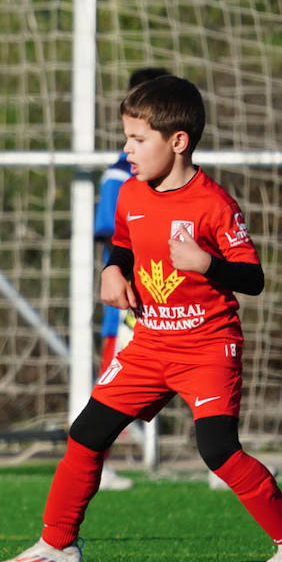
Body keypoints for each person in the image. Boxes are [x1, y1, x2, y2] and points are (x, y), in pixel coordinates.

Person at [0, 74, 282, 562]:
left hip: (207, 346)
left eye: (137, 139)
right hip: (149, 344)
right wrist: (110, 270)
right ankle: (56, 546)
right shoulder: (131, 194)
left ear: (178, 141)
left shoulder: (214, 205)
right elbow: (122, 242)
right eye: (126, 137)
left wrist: (206, 264)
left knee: (218, 449)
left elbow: (252, 278)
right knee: (85, 434)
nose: (127, 148)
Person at [92, 66, 171, 492]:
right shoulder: (122, 171)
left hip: (180, 303)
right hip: (134, 303)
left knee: (205, 375)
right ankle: (95, 463)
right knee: (113, 383)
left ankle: (222, 459)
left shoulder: (188, 178)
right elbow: (112, 228)